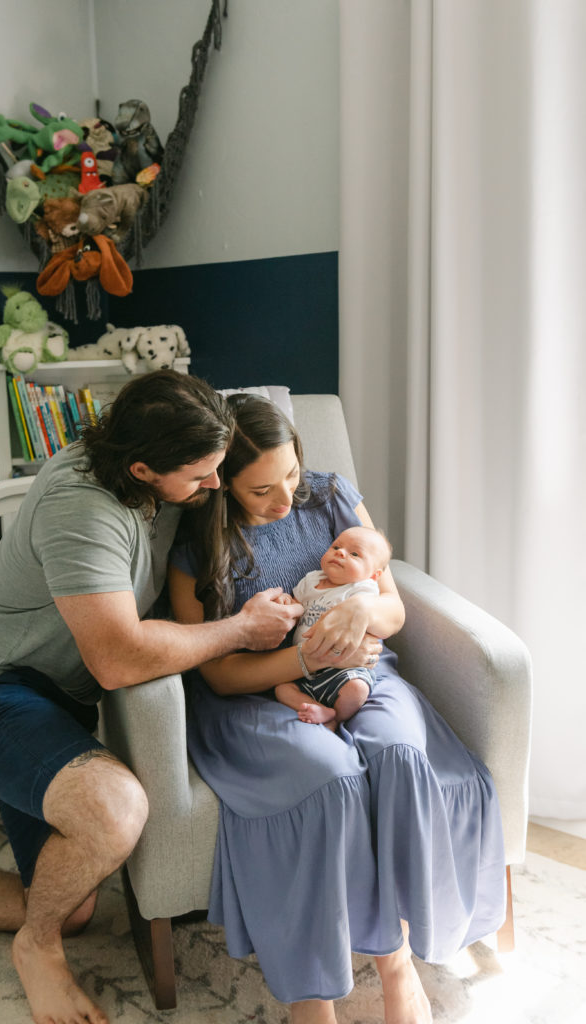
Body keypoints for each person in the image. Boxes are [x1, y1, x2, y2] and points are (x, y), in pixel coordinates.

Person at [0, 371, 302, 1024]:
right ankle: (37, 948)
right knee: (115, 811)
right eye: (201, 476)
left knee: (72, 899)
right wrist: (240, 629)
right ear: (143, 469)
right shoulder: (82, 507)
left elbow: (259, 422)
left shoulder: (171, 452)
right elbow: (117, 659)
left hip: (56, 699)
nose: (212, 486)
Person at [169, 392, 506, 1024]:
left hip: (363, 672)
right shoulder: (198, 547)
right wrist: (304, 664)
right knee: (330, 780)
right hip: (259, 696)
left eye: (291, 473)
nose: (286, 498)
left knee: (401, 755)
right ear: (221, 485)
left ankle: (396, 961)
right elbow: (217, 675)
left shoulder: (330, 496)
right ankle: (311, 997)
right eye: (262, 488)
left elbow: (393, 610)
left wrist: (359, 610)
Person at [275, 524, 392, 726]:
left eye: (354, 554)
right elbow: (297, 606)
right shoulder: (311, 580)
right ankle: (319, 709)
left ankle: (337, 717)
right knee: (281, 689)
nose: (340, 554)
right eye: (336, 547)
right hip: (302, 667)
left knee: (357, 688)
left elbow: (370, 617)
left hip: (344, 668)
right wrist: (287, 603)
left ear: (374, 575)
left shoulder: (362, 590)